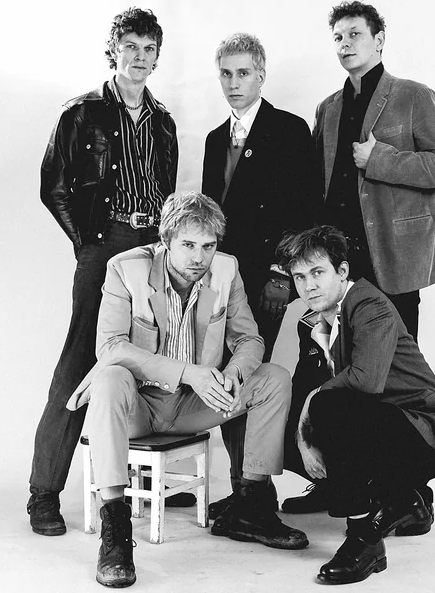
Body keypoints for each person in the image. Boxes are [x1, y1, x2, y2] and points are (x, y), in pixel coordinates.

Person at [69, 191, 307, 587]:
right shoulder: (125, 268)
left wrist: (233, 372)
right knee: (109, 377)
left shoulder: (226, 269)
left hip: (194, 406)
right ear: (166, 240)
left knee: (274, 378)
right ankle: (115, 530)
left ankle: (251, 507)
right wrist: (189, 373)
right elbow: (110, 347)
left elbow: (249, 339)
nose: (199, 257)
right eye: (189, 245)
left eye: (208, 246)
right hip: (137, 407)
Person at [285, 0, 435, 516]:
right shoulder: (328, 108)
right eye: (338, 37)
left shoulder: (413, 96)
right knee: (329, 363)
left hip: (394, 261)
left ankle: (409, 492)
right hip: (338, 267)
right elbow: (319, 188)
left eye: (355, 34)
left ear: (379, 40)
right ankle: (338, 481)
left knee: (389, 380)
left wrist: (381, 158)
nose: (345, 44)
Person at [29, 7, 184, 538]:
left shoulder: (163, 120)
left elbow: (166, 190)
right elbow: (53, 186)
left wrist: (163, 245)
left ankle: (145, 481)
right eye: (130, 46)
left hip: (153, 243)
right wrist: (87, 243)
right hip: (105, 240)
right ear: (112, 51)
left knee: (152, 353)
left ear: (157, 57)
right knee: (81, 359)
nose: (139, 57)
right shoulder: (82, 113)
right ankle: (44, 493)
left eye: (148, 48)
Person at [276, 225, 435, 585]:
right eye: (299, 277)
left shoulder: (368, 304)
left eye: (317, 272)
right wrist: (301, 437)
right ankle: (404, 500)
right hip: (380, 426)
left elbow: (365, 380)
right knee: (286, 429)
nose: (308, 285)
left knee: (328, 405)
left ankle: (365, 539)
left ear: (342, 271)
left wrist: (312, 404)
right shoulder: (313, 320)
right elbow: (311, 387)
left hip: (423, 433)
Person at [199, 32, 321, 521]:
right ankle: (241, 487)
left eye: (243, 73)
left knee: (258, 377)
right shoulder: (214, 139)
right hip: (223, 279)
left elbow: (304, 208)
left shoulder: (289, 130)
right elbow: (210, 219)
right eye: (226, 74)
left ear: (261, 75)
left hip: (267, 278)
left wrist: (281, 273)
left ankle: (256, 489)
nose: (234, 83)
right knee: (227, 374)